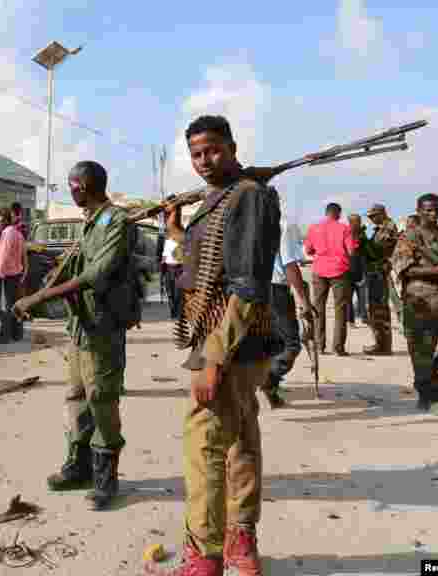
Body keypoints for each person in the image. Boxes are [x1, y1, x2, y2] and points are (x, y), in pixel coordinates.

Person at [148, 115, 281, 576]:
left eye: (213, 150)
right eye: (197, 154)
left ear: (232, 146)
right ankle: (240, 543)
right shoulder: (222, 199)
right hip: (231, 336)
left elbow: (246, 287)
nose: (205, 160)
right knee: (240, 437)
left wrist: (212, 361)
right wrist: (176, 230)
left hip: (231, 338)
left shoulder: (249, 197)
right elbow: (204, 265)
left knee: (204, 442)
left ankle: (203, 555)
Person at [12, 160, 131, 511]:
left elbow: (98, 273)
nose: (71, 189)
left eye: (74, 183)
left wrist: (42, 296)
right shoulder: (90, 223)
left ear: (89, 184)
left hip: (104, 325)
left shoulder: (116, 221)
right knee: (77, 397)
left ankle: (106, 478)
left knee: (101, 398)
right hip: (81, 325)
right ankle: (78, 467)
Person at [390, 194, 438, 418]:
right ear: (419, 210)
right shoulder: (409, 237)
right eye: (429, 210)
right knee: (422, 352)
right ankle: (430, 398)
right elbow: (404, 270)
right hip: (421, 302)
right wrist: (437, 271)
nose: (434, 214)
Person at [264, 217, 314, 409]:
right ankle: (269, 380)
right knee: (290, 345)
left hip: (247, 288)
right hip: (275, 289)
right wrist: (304, 301)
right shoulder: (283, 225)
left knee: (266, 340)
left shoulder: (249, 221)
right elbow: (289, 264)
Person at [304, 202, 358, 356]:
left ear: (326, 213)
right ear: (339, 214)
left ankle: (319, 346)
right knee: (340, 309)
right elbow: (351, 251)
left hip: (319, 270)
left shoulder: (314, 228)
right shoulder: (344, 229)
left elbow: (308, 250)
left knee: (318, 308)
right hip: (340, 271)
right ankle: (338, 348)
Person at [359, 204, 398, 355]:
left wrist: (362, 238)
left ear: (382, 214)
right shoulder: (382, 228)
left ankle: (383, 346)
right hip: (376, 273)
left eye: (373, 216)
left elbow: (375, 252)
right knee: (376, 310)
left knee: (379, 309)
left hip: (379, 273)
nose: (371, 219)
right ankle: (381, 344)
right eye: (370, 217)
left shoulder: (387, 229)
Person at [0, 208, 27, 345]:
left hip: (6, 276)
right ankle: (17, 335)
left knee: (4, 307)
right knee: (15, 305)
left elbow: (3, 257)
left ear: (6, 221)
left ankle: (4, 337)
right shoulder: (18, 234)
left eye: (0, 221)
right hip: (16, 275)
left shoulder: (7, 234)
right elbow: (23, 254)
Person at [347, 214, 367, 328]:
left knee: (362, 297)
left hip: (358, 269)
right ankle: (351, 320)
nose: (358, 223)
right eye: (356, 221)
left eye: (358, 221)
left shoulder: (361, 234)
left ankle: (363, 317)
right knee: (350, 298)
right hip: (350, 270)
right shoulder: (349, 234)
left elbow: (363, 254)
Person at [161, 233, 183, 320]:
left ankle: (177, 314)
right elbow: (164, 256)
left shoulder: (181, 242)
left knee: (178, 293)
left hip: (178, 270)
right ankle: (173, 314)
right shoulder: (167, 242)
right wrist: (162, 272)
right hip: (168, 270)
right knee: (170, 294)